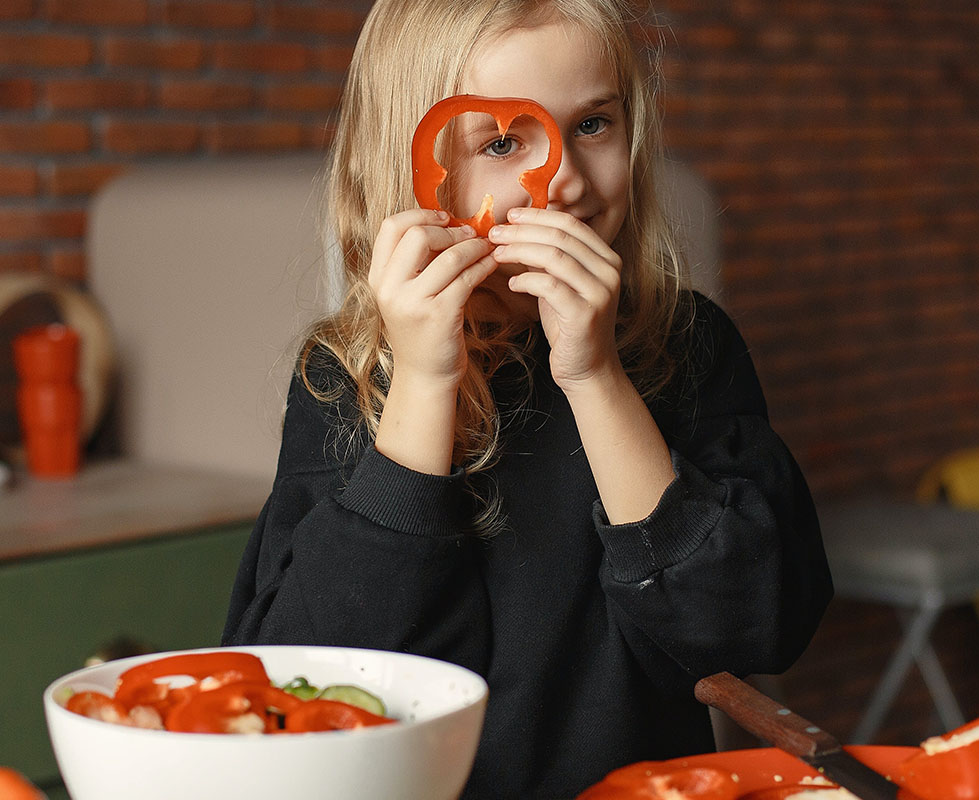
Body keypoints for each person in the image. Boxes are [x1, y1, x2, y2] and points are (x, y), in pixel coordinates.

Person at [223, 0, 833, 796]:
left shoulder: (690, 347)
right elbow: (300, 680)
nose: (568, 183)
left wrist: (596, 375)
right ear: (415, 165)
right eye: (503, 141)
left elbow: (751, 629)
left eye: (592, 126)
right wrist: (426, 384)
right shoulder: (345, 377)